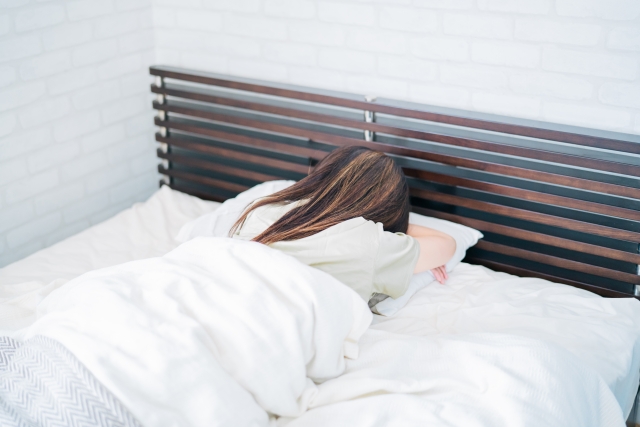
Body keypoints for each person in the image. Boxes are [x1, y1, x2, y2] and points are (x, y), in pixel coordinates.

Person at [230, 145, 456, 303]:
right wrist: (395, 229)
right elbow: (446, 243)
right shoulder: (370, 242)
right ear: (386, 208)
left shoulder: (263, 207)